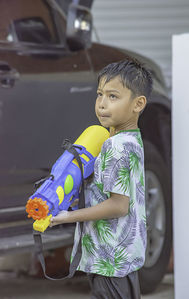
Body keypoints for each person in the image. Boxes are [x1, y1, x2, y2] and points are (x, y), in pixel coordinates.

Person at [50, 58, 153, 299]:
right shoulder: (131, 140)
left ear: (138, 104)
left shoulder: (116, 147)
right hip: (121, 259)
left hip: (110, 262)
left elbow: (118, 205)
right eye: (99, 95)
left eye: (113, 97)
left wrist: (67, 217)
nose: (102, 105)